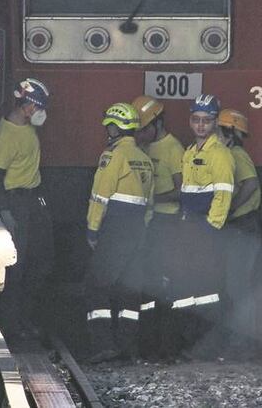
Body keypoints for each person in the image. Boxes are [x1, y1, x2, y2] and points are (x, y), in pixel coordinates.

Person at [84, 103, 155, 363]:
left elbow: (99, 197)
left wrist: (92, 230)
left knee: (96, 284)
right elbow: (149, 205)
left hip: (115, 227)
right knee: (129, 290)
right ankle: (128, 347)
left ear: (115, 128)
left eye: (109, 127)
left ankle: (103, 345)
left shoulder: (112, 156)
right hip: (138, 229)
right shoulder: (145, 159)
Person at [0, 78, 54, 338]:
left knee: (41, 261)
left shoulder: (26, 127)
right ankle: (11, 326)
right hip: (16, 203)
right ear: (29, 106)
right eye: (40, 107)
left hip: (33, 200)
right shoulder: (7, 135)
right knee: (18, 266)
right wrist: (6, 213)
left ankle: (24, 318)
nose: (42, 113)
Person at [169, 94, 233, 356]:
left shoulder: (220, 154)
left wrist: (211, 227)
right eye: (196, 119)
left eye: (206, 120)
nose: (201, 125)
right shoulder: (190, 152)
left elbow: (224, 194)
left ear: (215, 122)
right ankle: (191, 341)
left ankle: (210, 344)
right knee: (188, 285)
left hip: (206, 229)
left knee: (207, 288)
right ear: (190, 121)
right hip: (189, 227)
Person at [131, 95, 185, 358]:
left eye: (143, 128)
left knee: (164, 284)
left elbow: (182, 190)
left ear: (157, 123)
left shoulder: (173, 149)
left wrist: (153, 199)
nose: (140, 133)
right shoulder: (143, 147)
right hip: (149, 222)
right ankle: (149, 344)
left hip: (167, 222)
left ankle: (167, 346)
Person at [218, 108, 262, 352]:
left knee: (238, 286)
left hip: (243, 227)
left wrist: (231, 208)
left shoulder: (236, 154)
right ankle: (240, 341)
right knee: (235, 285)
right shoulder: (232, 153)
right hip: (241, 228)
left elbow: (251, 184)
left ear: (230, 133)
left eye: (219, 131)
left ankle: (243, 342)